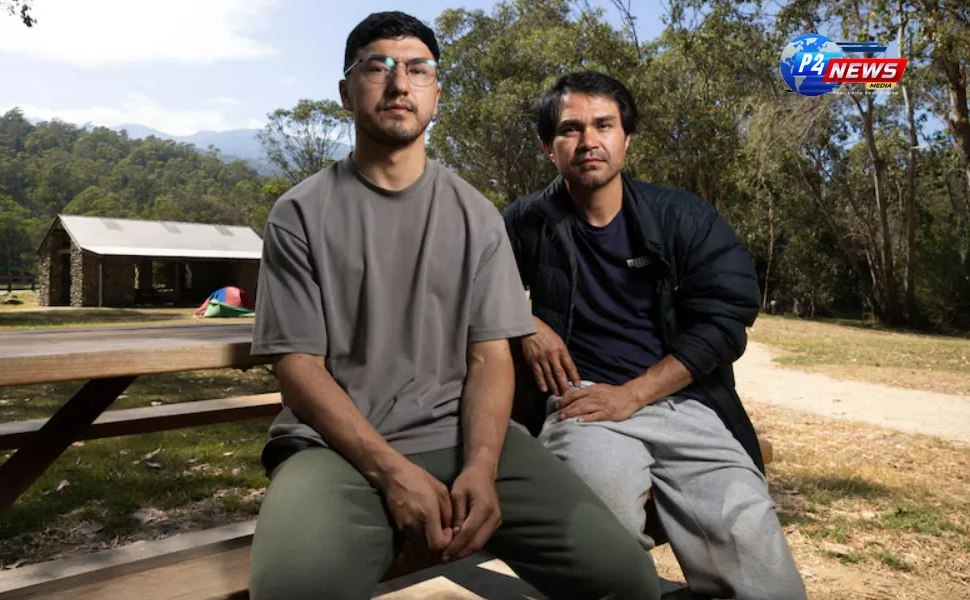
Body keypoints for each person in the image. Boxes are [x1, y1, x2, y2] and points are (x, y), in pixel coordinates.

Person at [246, 13, 659, 600]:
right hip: (335, 451)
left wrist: (483, 467)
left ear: (436, 93)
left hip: (466, 441)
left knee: (626, 581)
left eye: (418, 70)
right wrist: (391, 472)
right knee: (291, 591)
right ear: (346, 92)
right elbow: (298, 370)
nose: (398, 85)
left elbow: (491, 359)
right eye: (377, 67)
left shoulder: (476, 217)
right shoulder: (300, 214)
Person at [502, 70, 808, 600]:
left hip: (680, 402)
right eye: (571, 129)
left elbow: (726, 317)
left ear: (626, 138)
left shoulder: (683, 217)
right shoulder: (526, 221)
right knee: (599, 524)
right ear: (549, 147)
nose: (589, 140)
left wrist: (635, 395)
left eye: (604, 124)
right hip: (582, 405)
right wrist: (524, 321)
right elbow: (469, 291)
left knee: (747, 533)